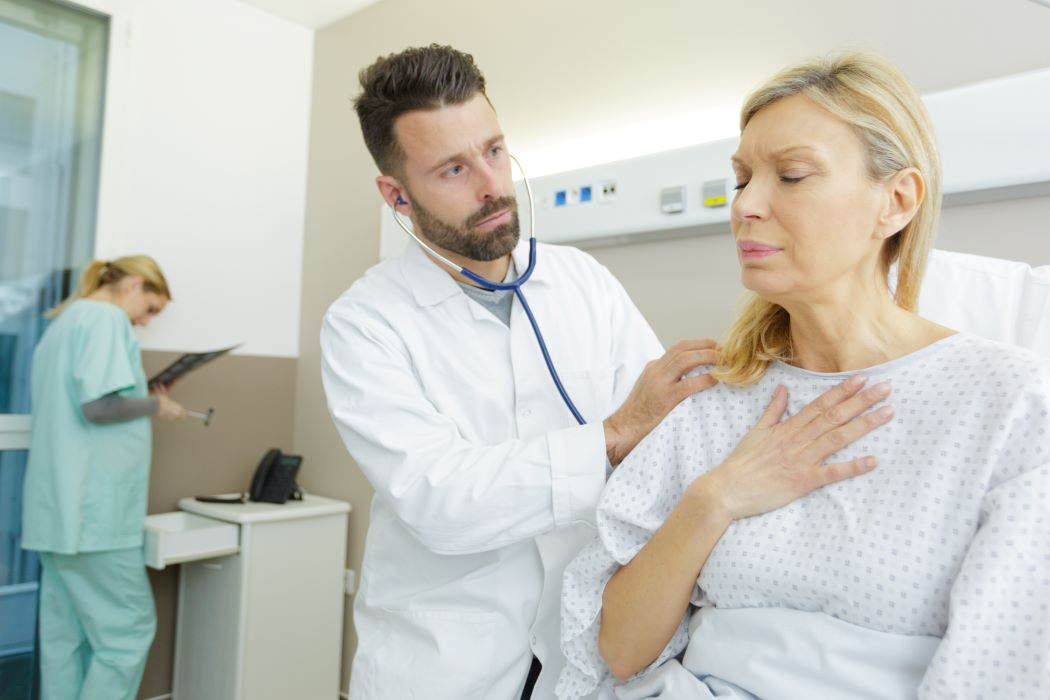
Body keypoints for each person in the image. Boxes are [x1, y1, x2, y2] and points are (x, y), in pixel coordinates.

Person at [321, 45, 888, 700]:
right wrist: (614, 434)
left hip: (586, 649)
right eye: (452, 169)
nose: (491, 185)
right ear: (396, 194)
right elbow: (437, 501)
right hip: (448, 664)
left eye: (495, 151)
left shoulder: (580, 280)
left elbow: (671, 434)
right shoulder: (364, 324)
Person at [558, 52, 1050, 700]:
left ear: (895, 202)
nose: (745, 206)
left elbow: (1000, 675)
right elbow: (618, 651)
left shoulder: (1012, 406)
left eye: (790, 175)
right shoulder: (712, 401)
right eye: (740, 180)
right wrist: (716, 498)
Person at [21, 255, 186, 700]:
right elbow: (98, 408)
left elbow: (91, 402)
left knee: (64, 638)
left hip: (56, 514)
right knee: (127, 633)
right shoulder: (105, 319)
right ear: (132, 285)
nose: (147, 322)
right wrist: (157, 406)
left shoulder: (64, 324)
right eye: (150, 309)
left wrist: (141, 395)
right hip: (95, 517)